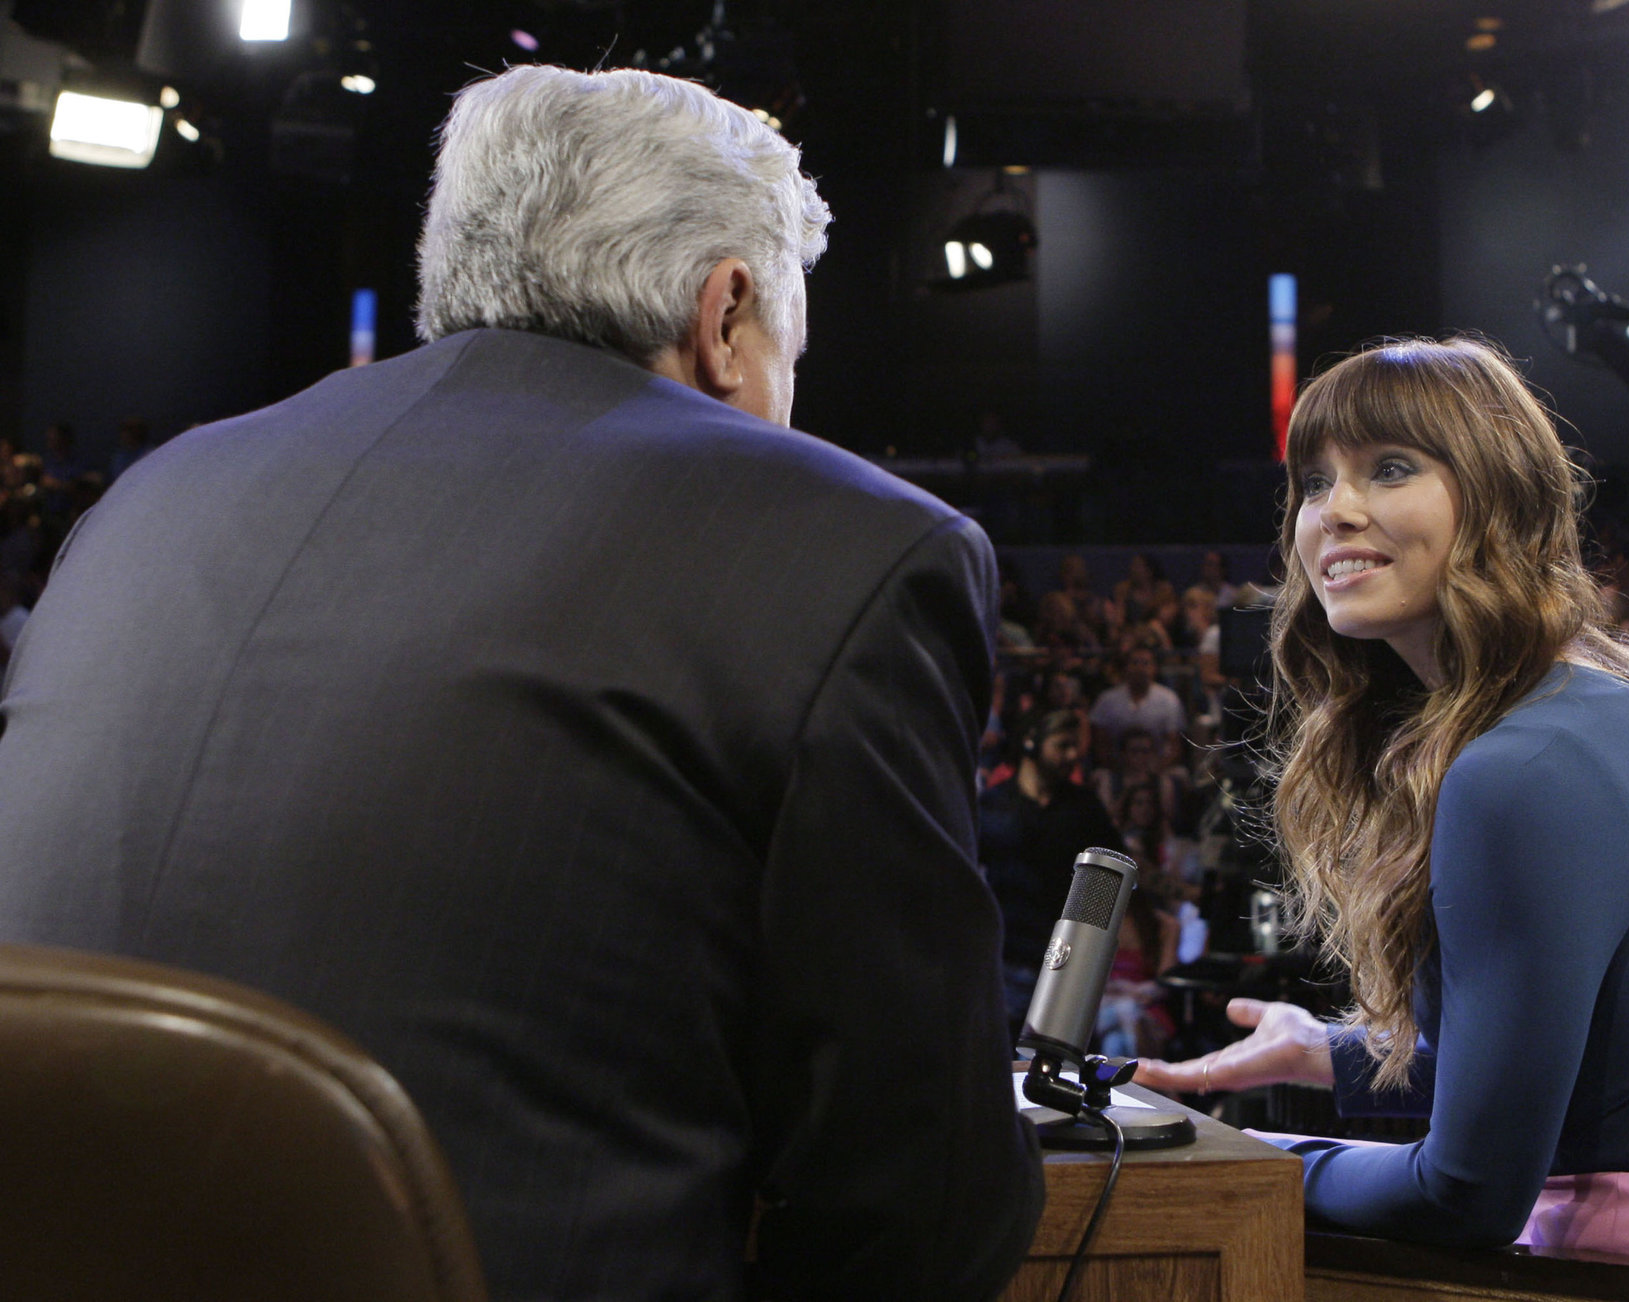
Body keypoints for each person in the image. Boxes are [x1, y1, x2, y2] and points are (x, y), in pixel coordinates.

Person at [0, 66, 1040, 1302]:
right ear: (725, 314)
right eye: (786, 354)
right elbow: (923, 1208)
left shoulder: (149, 498)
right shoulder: (849, 544)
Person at [1135, 337, 1629, 1273]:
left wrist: (1232, 1161)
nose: (1335, 511)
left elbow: (1466, 1193)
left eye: (1388, 469)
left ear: (1497, 495)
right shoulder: (1594, 697)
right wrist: (1325, 1051)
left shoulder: (1526, 764)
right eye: (1313, 482)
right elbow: (1562, 1066)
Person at [980, 711, 1123, 1032]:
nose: (1073, 756)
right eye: (1063, 745)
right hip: (1007, 961)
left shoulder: (1083, 807)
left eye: (1076, 747)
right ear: (1031, 743)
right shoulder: (993, 806)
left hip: (1066, 965)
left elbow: (1115, 870)